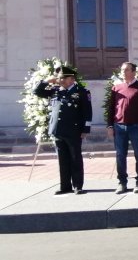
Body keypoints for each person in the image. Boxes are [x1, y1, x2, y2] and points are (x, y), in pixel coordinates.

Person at [33, 66, 92, 195]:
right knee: (63, 159)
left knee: (75, 158)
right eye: (59, 78)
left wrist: (85, 129)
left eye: (62, 78)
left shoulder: (82, 92)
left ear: (71, 79)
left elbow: (87, 112)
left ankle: (78, 185)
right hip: (58, 130)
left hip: (74, 130)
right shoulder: (55, 91)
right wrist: (47, 81)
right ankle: (65, 186)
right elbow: (36, 91)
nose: (59, 80)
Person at [107, 62, 138, 194]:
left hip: (136, 127)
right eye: (122, 70)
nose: (123, 72)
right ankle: (122, 182)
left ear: (133, 72)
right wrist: (110, 125)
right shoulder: (116, 88)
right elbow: (111, 108)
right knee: (120, 155)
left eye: (126, 70)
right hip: (119, 126)